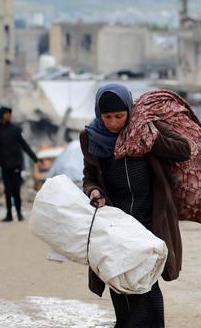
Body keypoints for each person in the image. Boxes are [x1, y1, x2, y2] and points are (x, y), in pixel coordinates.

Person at [79, 83, 191, 328]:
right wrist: (93, 191)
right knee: (118, 279)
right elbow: (89, 176)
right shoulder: (90, 137)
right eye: (107, 117)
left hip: (149, 219)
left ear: (129, 111)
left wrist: (152, 138)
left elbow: (184, 149)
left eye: (119, 116)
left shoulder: (146, 127)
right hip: (115, 224)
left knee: (147, 281)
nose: (113, 123)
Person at [0, 106, 38, 222]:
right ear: (1, 115)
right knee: (7, 191)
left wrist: (35, 159)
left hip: (16, 165)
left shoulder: (16, 130)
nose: (8, 115)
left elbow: (24, 145)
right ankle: (9, 215)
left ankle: (19, 213)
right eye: (6, 113)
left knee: (16, 190)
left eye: (9, 113)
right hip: (4, 166)